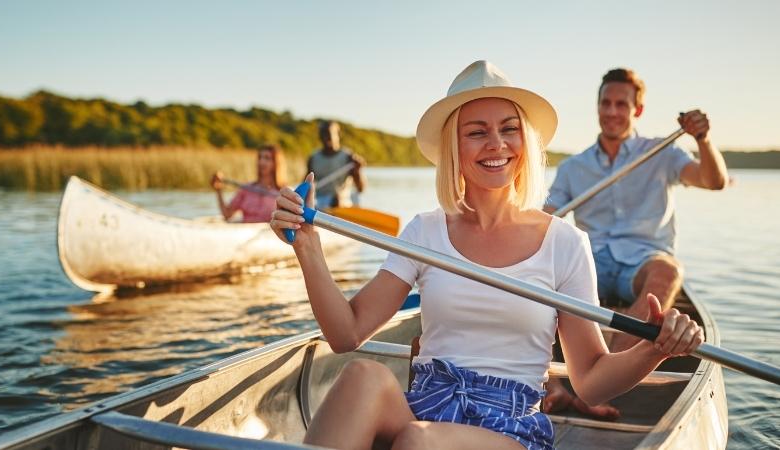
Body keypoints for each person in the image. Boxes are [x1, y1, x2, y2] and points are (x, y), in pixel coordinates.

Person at [270, 61, 703, 450]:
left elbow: (589, 382)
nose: (496, 144)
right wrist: (307, 247)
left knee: (421, 442)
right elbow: (346, 335)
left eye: (508, 129)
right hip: (425, 404)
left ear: (525, 142)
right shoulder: (424, 231)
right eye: (476, 131)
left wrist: (655, 350)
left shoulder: (565, 242)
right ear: (454, 149)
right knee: (362, 377)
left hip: (509, 428)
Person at [541, 68, 728, 418]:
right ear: (597, 107)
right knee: (541, 272)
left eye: (621, 104)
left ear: (636, 110)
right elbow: (545, 220)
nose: (612, 111)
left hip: (642, 261)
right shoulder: (574, 167)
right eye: (605, 103)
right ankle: (551, 384)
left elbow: (713, 181)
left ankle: (603, 375)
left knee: (668, 272)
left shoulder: (662, 153)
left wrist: (703, 139)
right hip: (591, 259)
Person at [211, 144, 286, 223]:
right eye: (260, 157)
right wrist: (218, 190)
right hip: (246, 232)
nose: (261, 162)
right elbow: (227, 214)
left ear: (276, 163)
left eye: (267, 158)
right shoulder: (246, 189)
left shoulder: (284, 193)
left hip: (268, 233)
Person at [307, 120, 367, 209]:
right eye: (322, 134)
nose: (325, 137)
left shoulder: (348, 157)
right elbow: (306, 185)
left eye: (328, 134)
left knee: (338, 199)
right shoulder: (313, 158)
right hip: (320, 202)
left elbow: (361, 189)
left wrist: (358, 171)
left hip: (343, 202)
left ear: (338, 135)